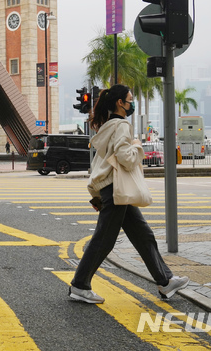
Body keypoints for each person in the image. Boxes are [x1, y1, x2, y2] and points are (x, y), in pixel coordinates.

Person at [69, 84, 189, 304]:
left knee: (143, 235)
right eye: (130, 99)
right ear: (120, 103)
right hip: (116, 190)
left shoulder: (107, 126)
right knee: (103, 240)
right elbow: (126, 157)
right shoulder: (122, 125)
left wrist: (97, 192)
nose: (131, 103)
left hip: (113, 189)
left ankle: (165, 281)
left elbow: (100, 163)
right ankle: (79, 285)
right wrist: (138, 146)